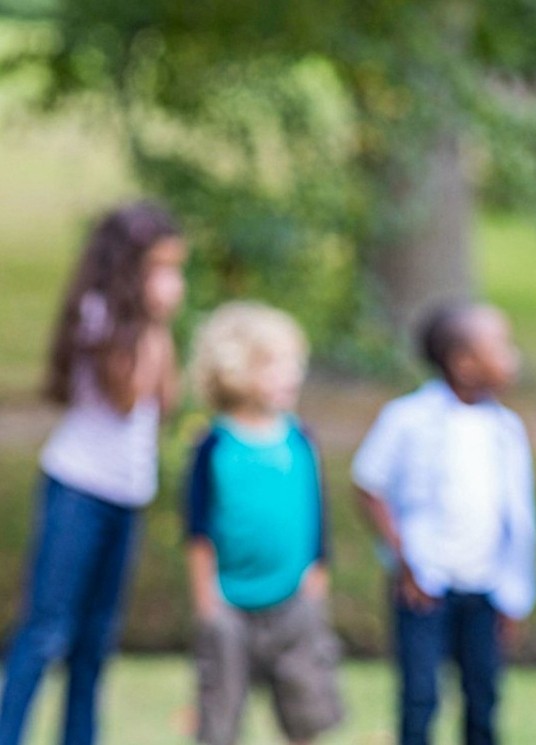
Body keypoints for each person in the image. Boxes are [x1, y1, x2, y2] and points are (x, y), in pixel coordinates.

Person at [0, 202, 187, 745]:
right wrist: (152, 322)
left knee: (96, 639)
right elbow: (128, 398)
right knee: (46, 629)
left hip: (128, 494)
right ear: (132, 267)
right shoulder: (98, 313)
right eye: (163, 267)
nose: (173, 280)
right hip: (78, 488)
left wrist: (161, 327)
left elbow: (166, 399)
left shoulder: (149, 328)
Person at [351, 301, 536, 745]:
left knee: (484, 695)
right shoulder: (408, 418)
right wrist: (403, 558)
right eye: (501, 346)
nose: (513, 356)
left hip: (487, 587)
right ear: (465, 363)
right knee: (419, 695)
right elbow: (368, 484)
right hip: (425, 585)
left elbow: (517, 516)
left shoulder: (507, 429)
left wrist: (515, 592)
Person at [183, 301, 343, 745]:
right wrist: (207, 603)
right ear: (235, 368)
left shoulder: (300, 438)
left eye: (294, 363)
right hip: (229, 602)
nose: (290, 375)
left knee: (306, 706)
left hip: (295, 596)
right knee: (220, 712)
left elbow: (317, 509)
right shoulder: (213, 445)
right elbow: (198, 530)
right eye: (273, 364)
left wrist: (318, 573)